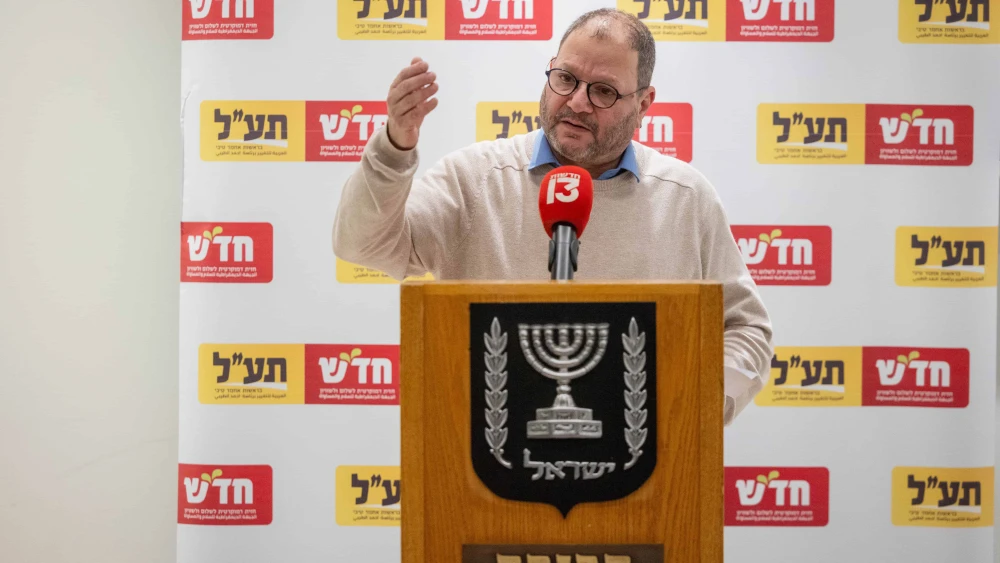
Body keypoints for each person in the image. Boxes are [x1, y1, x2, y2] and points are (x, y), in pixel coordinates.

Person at [332, 8, 773, 426]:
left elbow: (745, 329)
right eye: (565, 79)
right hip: (487, 456)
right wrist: (395, 147)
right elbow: (362, 244)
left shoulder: (686, 199)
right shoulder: (474, 178)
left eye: (603, 91)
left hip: (647, 462)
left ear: (644, 103)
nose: (577, 102)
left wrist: (693, 409)